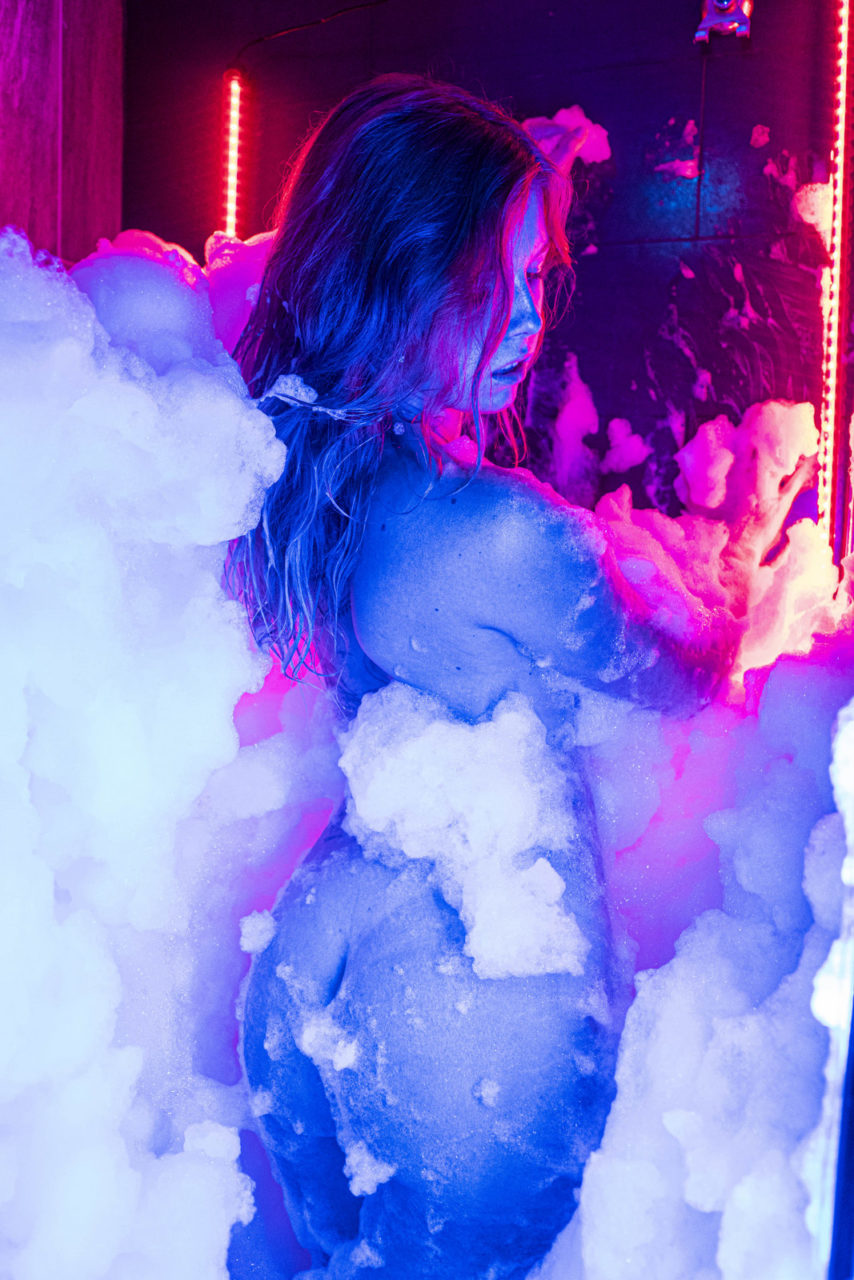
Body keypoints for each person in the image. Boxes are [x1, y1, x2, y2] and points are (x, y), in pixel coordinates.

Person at [231, 74, 722, 1280]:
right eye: (484, 283)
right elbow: (681, 678)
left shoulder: (337, 499)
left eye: (534, 275)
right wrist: (732, 594)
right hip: (482, 1044)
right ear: (390, 277)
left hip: (341, 986)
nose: (527, 319)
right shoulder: (494, 534)